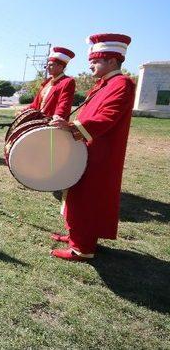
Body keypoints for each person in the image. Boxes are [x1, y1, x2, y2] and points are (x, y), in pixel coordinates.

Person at [49, 33, 135, 261]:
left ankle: (83, 248)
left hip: (100, 152)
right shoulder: (105, 84)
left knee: (88, 197)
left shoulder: (121, 84)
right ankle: (76, 235)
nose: (91, 66)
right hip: (87, 147)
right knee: (77, 195)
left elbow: (107, 117)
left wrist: (71, 126)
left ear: (113, 61)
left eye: (96, 61)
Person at [24, 47, 76, 120]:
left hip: (52, 124)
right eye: (47, 65)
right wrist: (24, 111)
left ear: (60, 67)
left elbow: (64, 104)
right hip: (38, 121)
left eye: (51, 65)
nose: (47, 67)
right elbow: (35, 104)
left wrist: (58, 116)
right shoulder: (47, 82)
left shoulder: (68, 81)